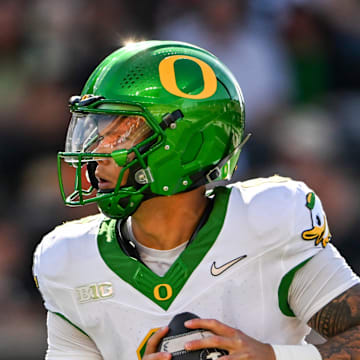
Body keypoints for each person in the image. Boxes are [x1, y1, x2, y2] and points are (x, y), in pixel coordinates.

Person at [33, 40, 360, 360]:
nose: (98, 151)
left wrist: (273, 357)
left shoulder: (269, 223)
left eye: (121, 132)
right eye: (97, 132)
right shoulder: (68, 260)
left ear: (185, 142)